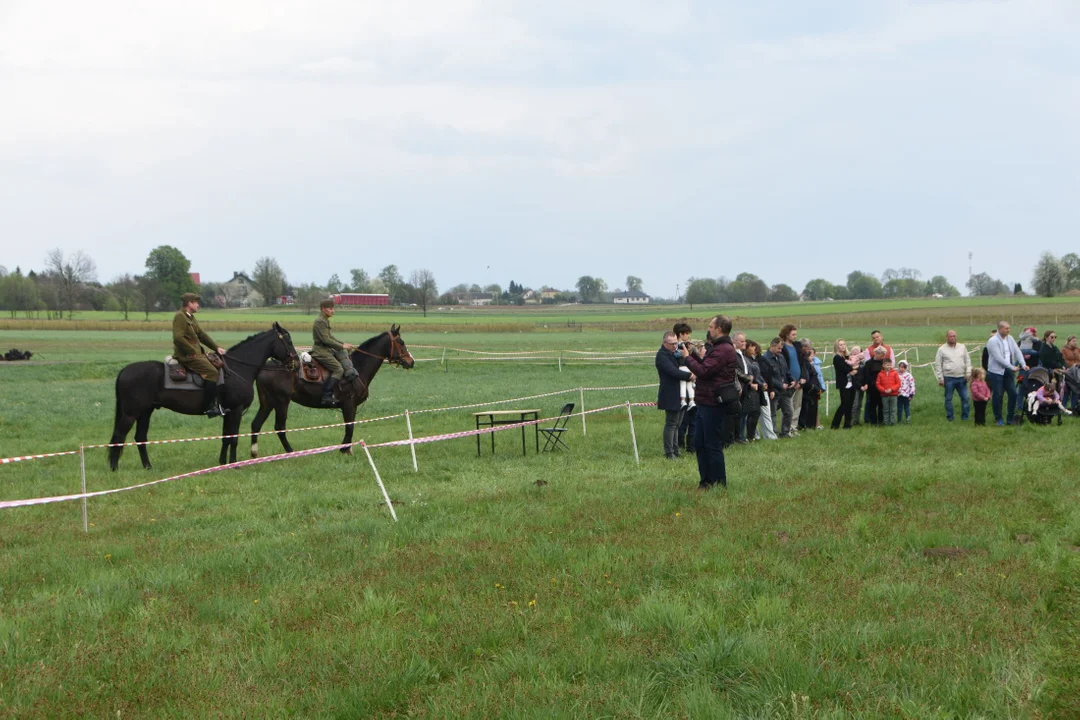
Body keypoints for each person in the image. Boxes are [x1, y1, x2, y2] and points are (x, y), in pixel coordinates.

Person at [680, 315, 738, 489]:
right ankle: (706, 481)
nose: (709, 329)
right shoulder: (718, 348)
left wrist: (687, 358)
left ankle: (718, 483)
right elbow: (708, 365)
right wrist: (694, 355)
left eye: (711, 326)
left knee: (712, 444)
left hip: (713, 403)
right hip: (704, 402)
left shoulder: (724, 349)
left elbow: (704, 372)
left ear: (719, 329)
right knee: (700, 443)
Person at [172, 292, 229, 418]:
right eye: (196, 302)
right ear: (189, 303)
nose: (198, 305)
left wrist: (217, 348)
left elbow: (202, 335)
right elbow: (178, 338)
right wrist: (192, 351)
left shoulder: (190, 317)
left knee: (219, 365)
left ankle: (218, 403)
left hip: (196, 354)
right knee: (212, 372)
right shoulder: (180, 317)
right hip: (187, 356)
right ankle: (208, 407)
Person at [311, 299, 357, 406]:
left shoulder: (325, 320)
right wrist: (342, 346)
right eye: (330, 309)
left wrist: (343, 344)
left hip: (326, 349)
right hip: (320, 351)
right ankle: (326, 395)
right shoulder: (320, 322)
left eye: (333, 308)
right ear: (323, 309)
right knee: (338, 369)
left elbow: (330, 337)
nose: (333, 311)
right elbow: (325, 340)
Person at [985, 320, 1028, 425]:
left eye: (1009, 328)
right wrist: (1011, 366)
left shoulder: (1010, 338)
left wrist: (1023, 364)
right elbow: (998, 357)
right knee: (998, 395)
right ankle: (998, 419)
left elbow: (1017, 351)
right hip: (996, 372)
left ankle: (1010, 418)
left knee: (1013, 393)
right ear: (1000, 329)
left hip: (1008, 371)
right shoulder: (993, 341)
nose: (1008, 330)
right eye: (1006, 328)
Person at [655, 331, 690, 459]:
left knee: (677, 424)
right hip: (670, 393)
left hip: (681, 393)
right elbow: (673, 372)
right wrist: (689, 376)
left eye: (676, 343)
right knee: (671, 424)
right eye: (672, 344)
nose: (675, 346)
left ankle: (676, 450)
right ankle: (669, 452)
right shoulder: (661, 356)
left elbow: (684, 365)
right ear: (664, 343)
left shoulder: (675, 353)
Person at [760, 337, 795, 438]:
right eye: (779, 348)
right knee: (772, 413)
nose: (780, 351)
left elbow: (786, 371)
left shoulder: (781, 357)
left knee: (789, 411)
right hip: (774, 390)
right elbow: (767, 376)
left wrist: (791, 379)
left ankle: (785, 432)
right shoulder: (765, 359)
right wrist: (780, 384)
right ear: (772, 346)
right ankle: (774, 433)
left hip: (785, 390)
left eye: (781, 349)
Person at [933, 329, 971, 422]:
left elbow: (968, 361)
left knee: (965, 398)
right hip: (948, 378)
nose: (953, 338)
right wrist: (940, 378)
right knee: (948, 399)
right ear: (947, 337)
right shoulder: (941, 349)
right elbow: (938, 364)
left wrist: (968, 373)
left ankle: (965, 417)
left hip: (962, 377)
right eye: (951, 336)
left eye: (954, 336)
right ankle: (950, 418)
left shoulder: (962, 347)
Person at [673, 323, 697, 452]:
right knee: (682, 420)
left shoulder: (688, 347)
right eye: (687, 333)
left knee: (692, 418)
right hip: (681, 380)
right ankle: (680, 443)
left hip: (690, 377)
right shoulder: (676, 347)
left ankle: (691, 445)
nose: (688, 336)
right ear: (681, 334)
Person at [748, 340, 778, 441]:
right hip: (754, 389)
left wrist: (768, 387)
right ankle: (755, 435)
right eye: (752, 346)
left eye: (755, 346)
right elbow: (754, 375)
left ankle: (769, 435)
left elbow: (765, 374)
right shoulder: (749, 360)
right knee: (754, 414)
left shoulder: (760, 360)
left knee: (764, 414)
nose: (754, 348)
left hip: (763, 389)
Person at [733, 333, 760, 443]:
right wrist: (747, 378)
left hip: (746, 387)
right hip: (738, 386)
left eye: (744, 341)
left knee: (744, 413)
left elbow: (745, 369)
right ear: (734, 342)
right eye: (741, 341)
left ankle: (741, 436)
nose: (744, 343)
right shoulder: (734, 355)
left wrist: (750, 378)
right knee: (738, 414)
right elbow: (736, 370)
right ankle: (737, 437)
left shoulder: (742, 354)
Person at [780, 325, 805, 419]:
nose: (795, 336)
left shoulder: (797, 346)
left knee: (797, 406)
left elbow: (802, 363)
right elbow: (783, 366)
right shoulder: (782, 348)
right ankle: (787, 428)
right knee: (788, 407)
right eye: (793, 334)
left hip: (799, 381)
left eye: (796, 334)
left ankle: (794, 427)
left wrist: (802, 377)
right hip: (789, 382)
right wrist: (788, 380)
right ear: (786, 335)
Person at [830, 339, 855, 429]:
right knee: (844, 404)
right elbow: (844, 369)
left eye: (844, 344)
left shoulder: (846, 357)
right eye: (840, 345)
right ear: (837, 346)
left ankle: (848, 424)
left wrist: (852, 369)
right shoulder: (837, 357)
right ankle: (835, 424)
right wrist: (852, 369)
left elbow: (852, 366)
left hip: (851, 382)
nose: (843, 346)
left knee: (850, 404)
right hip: (843, 383)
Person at [862, 347, 887, 425]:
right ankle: (873, 422)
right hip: (872, 387)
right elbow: (866, 375)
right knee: (872, 405)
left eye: (884, 355)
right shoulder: (868, 363)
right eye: (882, 355)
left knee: (881, 405)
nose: (883, 357)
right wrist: (867, 384)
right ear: (876, 353)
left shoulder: (884, 363)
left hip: (882, 387)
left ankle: (881, 421)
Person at [1039, 330, 1065, 394]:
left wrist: (1063, 365)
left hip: (1057, 369)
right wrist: (1059, 367)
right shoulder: (1043, 348)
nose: (1054, 339)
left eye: (1055, 337)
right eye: (1052, 337)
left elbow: (1061, 357)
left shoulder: (1055, 347)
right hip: (1048, 371)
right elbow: (1047, 361)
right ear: (1046, 338)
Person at [876, 357, 901, 426]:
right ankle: (886, 422)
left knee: (893, 409)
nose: (889, 366)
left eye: (890, 365)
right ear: (883, 365)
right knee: (885, 409)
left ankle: (892, 422)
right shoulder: (880, 374)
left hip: (893, 394)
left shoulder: (895, 373)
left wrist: (892, 389)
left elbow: (898, 383)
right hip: (884, 395)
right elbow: (878, 384)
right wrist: (884, 390)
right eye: (887, 365)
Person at [848, 345, 865, 426]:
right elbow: (853, 377)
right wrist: (860, 386)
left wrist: (864, 384)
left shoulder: (862, 363)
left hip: (861, 386)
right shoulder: (851, 363)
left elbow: (864, 375)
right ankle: (851, 421)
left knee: (859, 404)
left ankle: (856, 420)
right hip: (855, 387)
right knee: (854, 404)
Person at [1062, 335, 1080, 410]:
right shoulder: (1063, 350)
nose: (1075, 343)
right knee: (1067, 391)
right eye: (1073, 341)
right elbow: (1063, 360)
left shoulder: (1078, 349)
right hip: (1068, 372)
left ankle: (1074, 407)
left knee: (1076, 390)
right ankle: (1063, 408)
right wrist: (1073, 365)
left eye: (1076, 341)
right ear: (1069, 342)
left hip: (1077, 372)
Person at [897, 360, 916, 424]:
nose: (901, 369)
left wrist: (911, 394)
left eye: (903, 367)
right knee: (899, 408)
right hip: (899, 395)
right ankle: (899, 420)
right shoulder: (896, 375)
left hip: (906, 395)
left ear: (906, 368)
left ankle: (908, 420)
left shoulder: (909, 376)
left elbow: (912, 385)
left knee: (906, 408)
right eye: (900, 367)